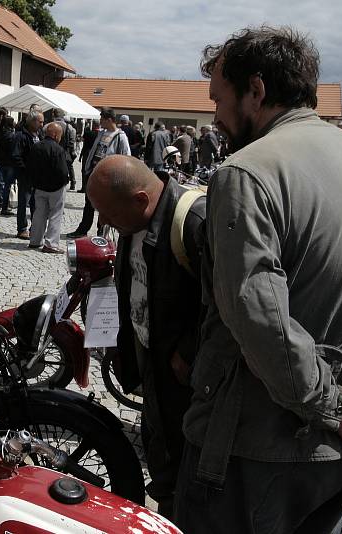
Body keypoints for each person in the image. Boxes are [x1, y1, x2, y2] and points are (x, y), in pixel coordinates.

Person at [174, 26, 342, 534]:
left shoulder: (246, 173)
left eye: (219, 99)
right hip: (340, 454)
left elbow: (259, 319)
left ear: (257, 89)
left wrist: (333, 409)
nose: (216, 117)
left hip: (250, 455)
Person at [88, 155, 205, 518]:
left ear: (140, 200)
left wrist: (188, 350)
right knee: (159, 448)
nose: (103, 222)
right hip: (154, 364)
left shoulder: (194, 222)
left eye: (109, 213)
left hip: (188, 382)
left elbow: (228, 303)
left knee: (183, 466)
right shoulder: (134, 220)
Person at [66, 108, 129, 238]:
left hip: (108, 177)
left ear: (109, 119)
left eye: (102, 119)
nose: (100, 121)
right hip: (94, 174)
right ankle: (83, 229)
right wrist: (87, 168)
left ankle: (101, 233)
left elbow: (126, 157)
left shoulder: (120, 137)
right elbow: (94, 151)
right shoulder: (101, 134)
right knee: (88, 204)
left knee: (104, 207)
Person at [27, 122, 70, 253]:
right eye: (60, 135)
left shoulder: (36, 147)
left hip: (39, 187)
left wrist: (34, 182)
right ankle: (51, 244)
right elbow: (63, 171)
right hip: (56, 188)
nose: (60, 138)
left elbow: (30, 167)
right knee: (55, 215)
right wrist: (65, 182)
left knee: (38, 214)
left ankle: (35, 241)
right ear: (56, 135)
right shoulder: (58, 150)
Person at [13, 111, 43, 239]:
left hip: (37, 176)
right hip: (25, 176)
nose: (42, 124)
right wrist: (25, 170)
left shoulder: (39, 135)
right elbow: (16, 156)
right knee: (23, 203)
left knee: (36, 204)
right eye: (40, 122)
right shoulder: (21, 136)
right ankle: (22, 228)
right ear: (32, 122)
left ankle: (34, 228)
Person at [0, 115, 17, 216]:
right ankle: (4, 207)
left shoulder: (0, 133)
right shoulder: (11, 135)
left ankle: (4, 205)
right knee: (7, 186)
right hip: (9, 163)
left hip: (1, 162)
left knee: (4, 184)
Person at [52, 108, 77, 191]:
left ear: (53, 115)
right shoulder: (69, 127)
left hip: (52, 152)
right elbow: (72, 140)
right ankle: (72, 183)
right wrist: (71, 150)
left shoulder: (49, 125)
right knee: (68, 168)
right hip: (65, 151)